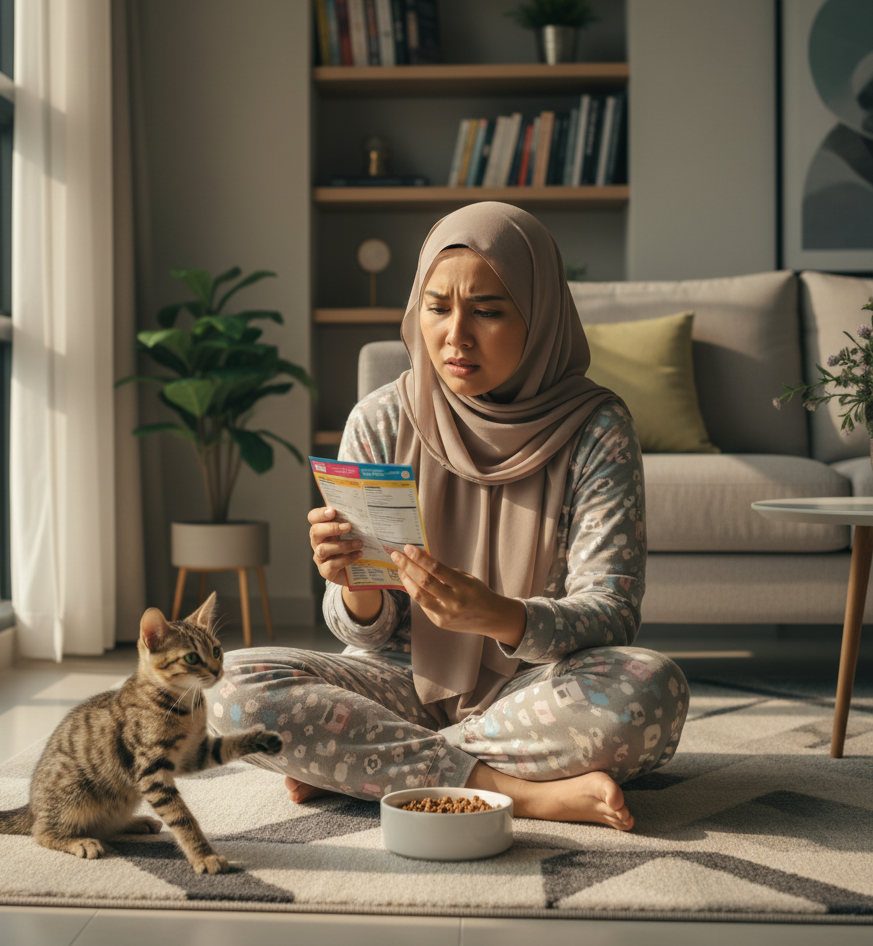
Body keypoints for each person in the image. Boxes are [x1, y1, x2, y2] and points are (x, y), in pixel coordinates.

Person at [209, 202, 689, 831]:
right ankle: (514, 790)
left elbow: (614, 608)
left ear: (539, 315)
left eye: (487, 311)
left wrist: (498, 614)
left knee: (649, 690)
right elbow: (363, 638)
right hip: (395, 684)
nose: (455, 336)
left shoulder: (598, 428)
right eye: (437, 308)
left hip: (533, 692)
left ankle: (365, 765)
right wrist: (354, 590)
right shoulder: (380, 420)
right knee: (225, 689)